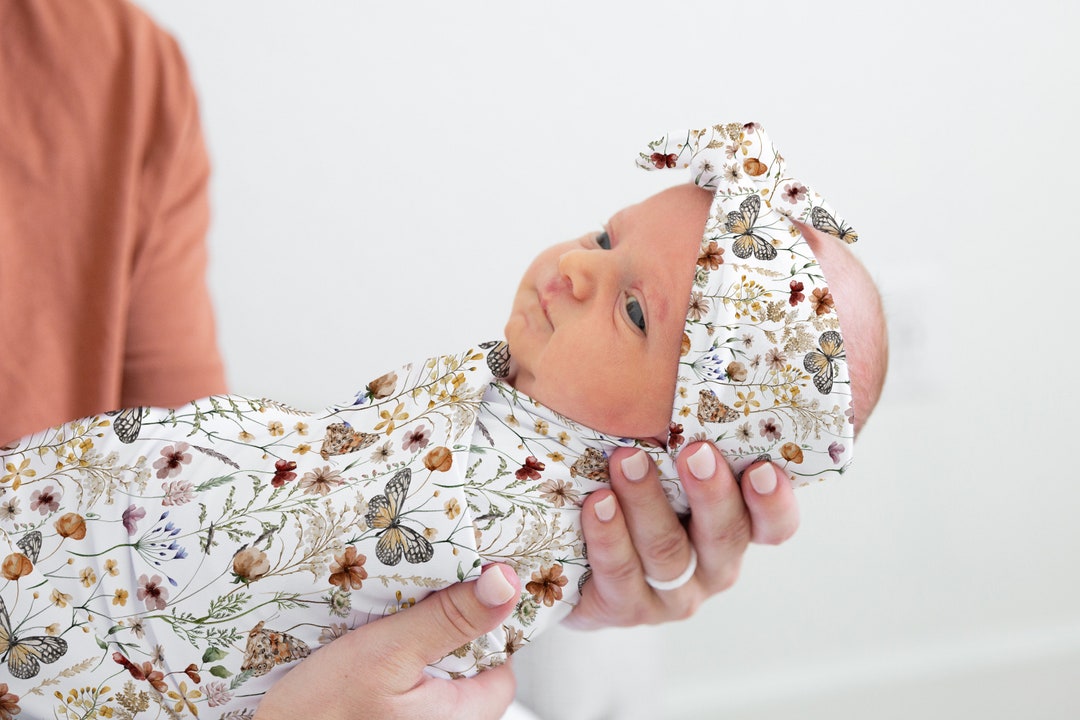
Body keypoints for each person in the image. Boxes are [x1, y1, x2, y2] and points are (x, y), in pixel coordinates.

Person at [0, 3, 803, 718]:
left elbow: (193, 455)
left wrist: (589, 583)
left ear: (682, 443)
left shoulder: (120, 66)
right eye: (602, 236)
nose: (576, 264)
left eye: (634, 311)